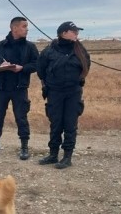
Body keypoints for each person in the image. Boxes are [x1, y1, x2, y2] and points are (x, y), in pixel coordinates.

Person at [0, 17, 39, 160]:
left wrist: (22, 68)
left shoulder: (30, 47)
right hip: (1, 89)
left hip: (20, 88)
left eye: (26, 26)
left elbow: (37, 65)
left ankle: (24, 147)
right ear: (14, 28)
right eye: (24, 26)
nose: (27, 29)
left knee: (21, 117)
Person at [37, 21, 91, 169]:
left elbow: (86, 66)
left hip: (73, 93)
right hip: (54, 92)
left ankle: (67, 156)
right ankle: (53, 154)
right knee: (56, 124)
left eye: (77, 31)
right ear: (63, 33)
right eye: (73, 31)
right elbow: (40, 70)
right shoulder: (49, 51)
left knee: (70, 124)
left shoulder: (80, 50)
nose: (76, 34)